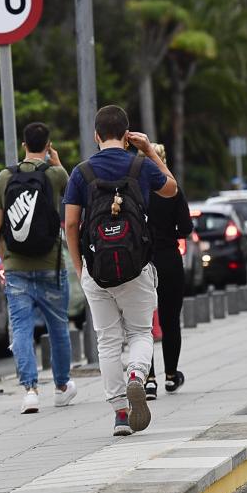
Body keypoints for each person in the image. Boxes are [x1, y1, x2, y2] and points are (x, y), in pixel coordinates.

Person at [64, 105, 177, 436]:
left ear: (96, 135)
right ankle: (137, 376)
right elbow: (171, 189)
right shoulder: (140, 165)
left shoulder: (81, 173)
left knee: (107, 340)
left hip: (96, 269)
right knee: (141, 332)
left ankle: (120, 415)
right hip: (137, 266)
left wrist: (79, 266)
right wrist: (149, 152)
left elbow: (71, 223)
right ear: (127, 135)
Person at [0, 122, 76, 414]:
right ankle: (62, 386)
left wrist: (6, 260)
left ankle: (30, 390)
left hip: (17, 268)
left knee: (21, 329)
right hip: (51, 265)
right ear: (48, 144)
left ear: (23, 145)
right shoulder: (54, 174)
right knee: (58, 328)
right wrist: (54, 158)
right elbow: (70, 184)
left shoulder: (4, 177)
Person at [144, 143, 193, 399]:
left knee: (142, 323)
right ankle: (172, 375)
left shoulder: (135, 188)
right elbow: (186, 227)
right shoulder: (173, 191)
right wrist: (168, 235)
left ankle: (149, 378)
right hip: (168, 258)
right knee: (170, 319)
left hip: (141, 260)